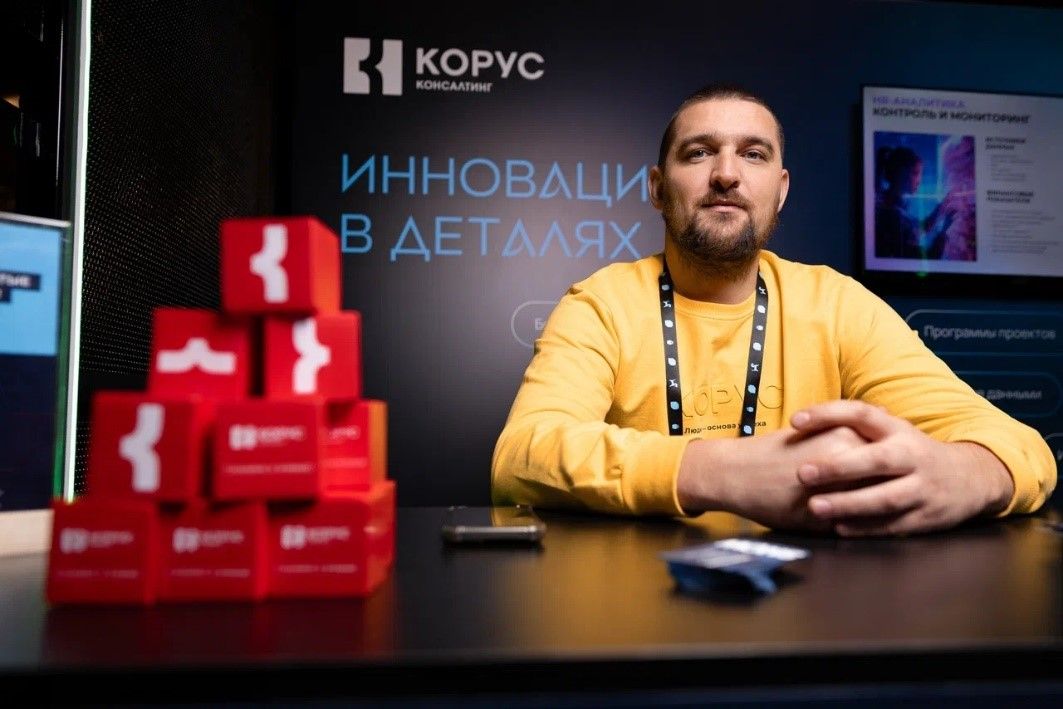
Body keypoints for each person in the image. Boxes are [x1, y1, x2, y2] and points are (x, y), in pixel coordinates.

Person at [491, 84, 1055, 536]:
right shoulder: (601, 304)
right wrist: (727, 472)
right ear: (659, 189)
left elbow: (1021, 447)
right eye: (699, 152)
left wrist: (961, 475)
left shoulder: (836, 304)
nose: (726, 174)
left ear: (781, 190)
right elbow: (521, 457)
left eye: (753, 154)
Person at [874, 144, 958, 260]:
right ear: (900, 174)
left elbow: (919, 228)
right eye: (915, 173)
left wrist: (942, 207)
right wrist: (945, 229)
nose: (919, 181)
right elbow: (929, 257)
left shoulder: (890, 206)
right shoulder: (892, 215)